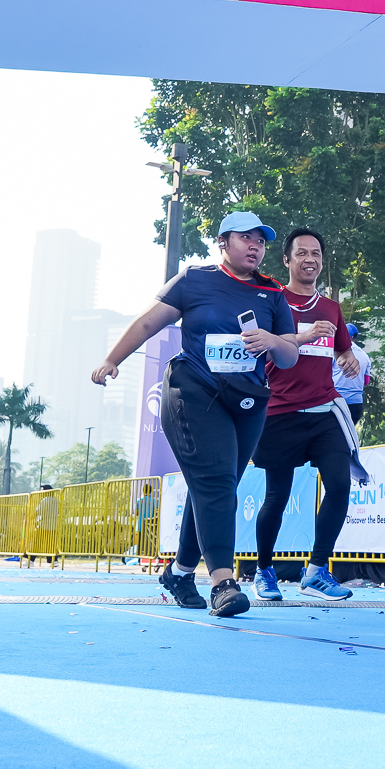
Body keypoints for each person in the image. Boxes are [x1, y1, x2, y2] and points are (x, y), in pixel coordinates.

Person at [92, 212, 298, 617]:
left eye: (261, 240)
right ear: (223, 241)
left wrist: (271, 340)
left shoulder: (272, 293)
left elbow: (289, 355)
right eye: (246, 238)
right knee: (217, 481)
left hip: (247, 400)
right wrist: (112, 359)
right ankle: (223, 583)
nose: (255, 246)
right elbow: (148, 322)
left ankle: (180, 572)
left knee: (216, 486)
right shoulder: (194, 279)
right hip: (194, 390)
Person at [248, 228, 365, 602]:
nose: (310, 259)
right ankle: (263, 569)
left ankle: (316, 570)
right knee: (276, 497)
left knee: (340, 485)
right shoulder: (271, 301)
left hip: (324, 411)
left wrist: (347, 358)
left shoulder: (331, 308)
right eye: (301, 253)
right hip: (279, 412)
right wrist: (304, 336)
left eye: (316, 253)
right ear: (286, 260)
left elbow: (342, 349)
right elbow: (258, 350)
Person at [334, 323, 371, 428]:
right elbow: (366, 381)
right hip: (356, 403)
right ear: (354, 337)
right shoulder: (365, 356)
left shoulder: (334, 351)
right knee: (348, 433)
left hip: (336, 402)